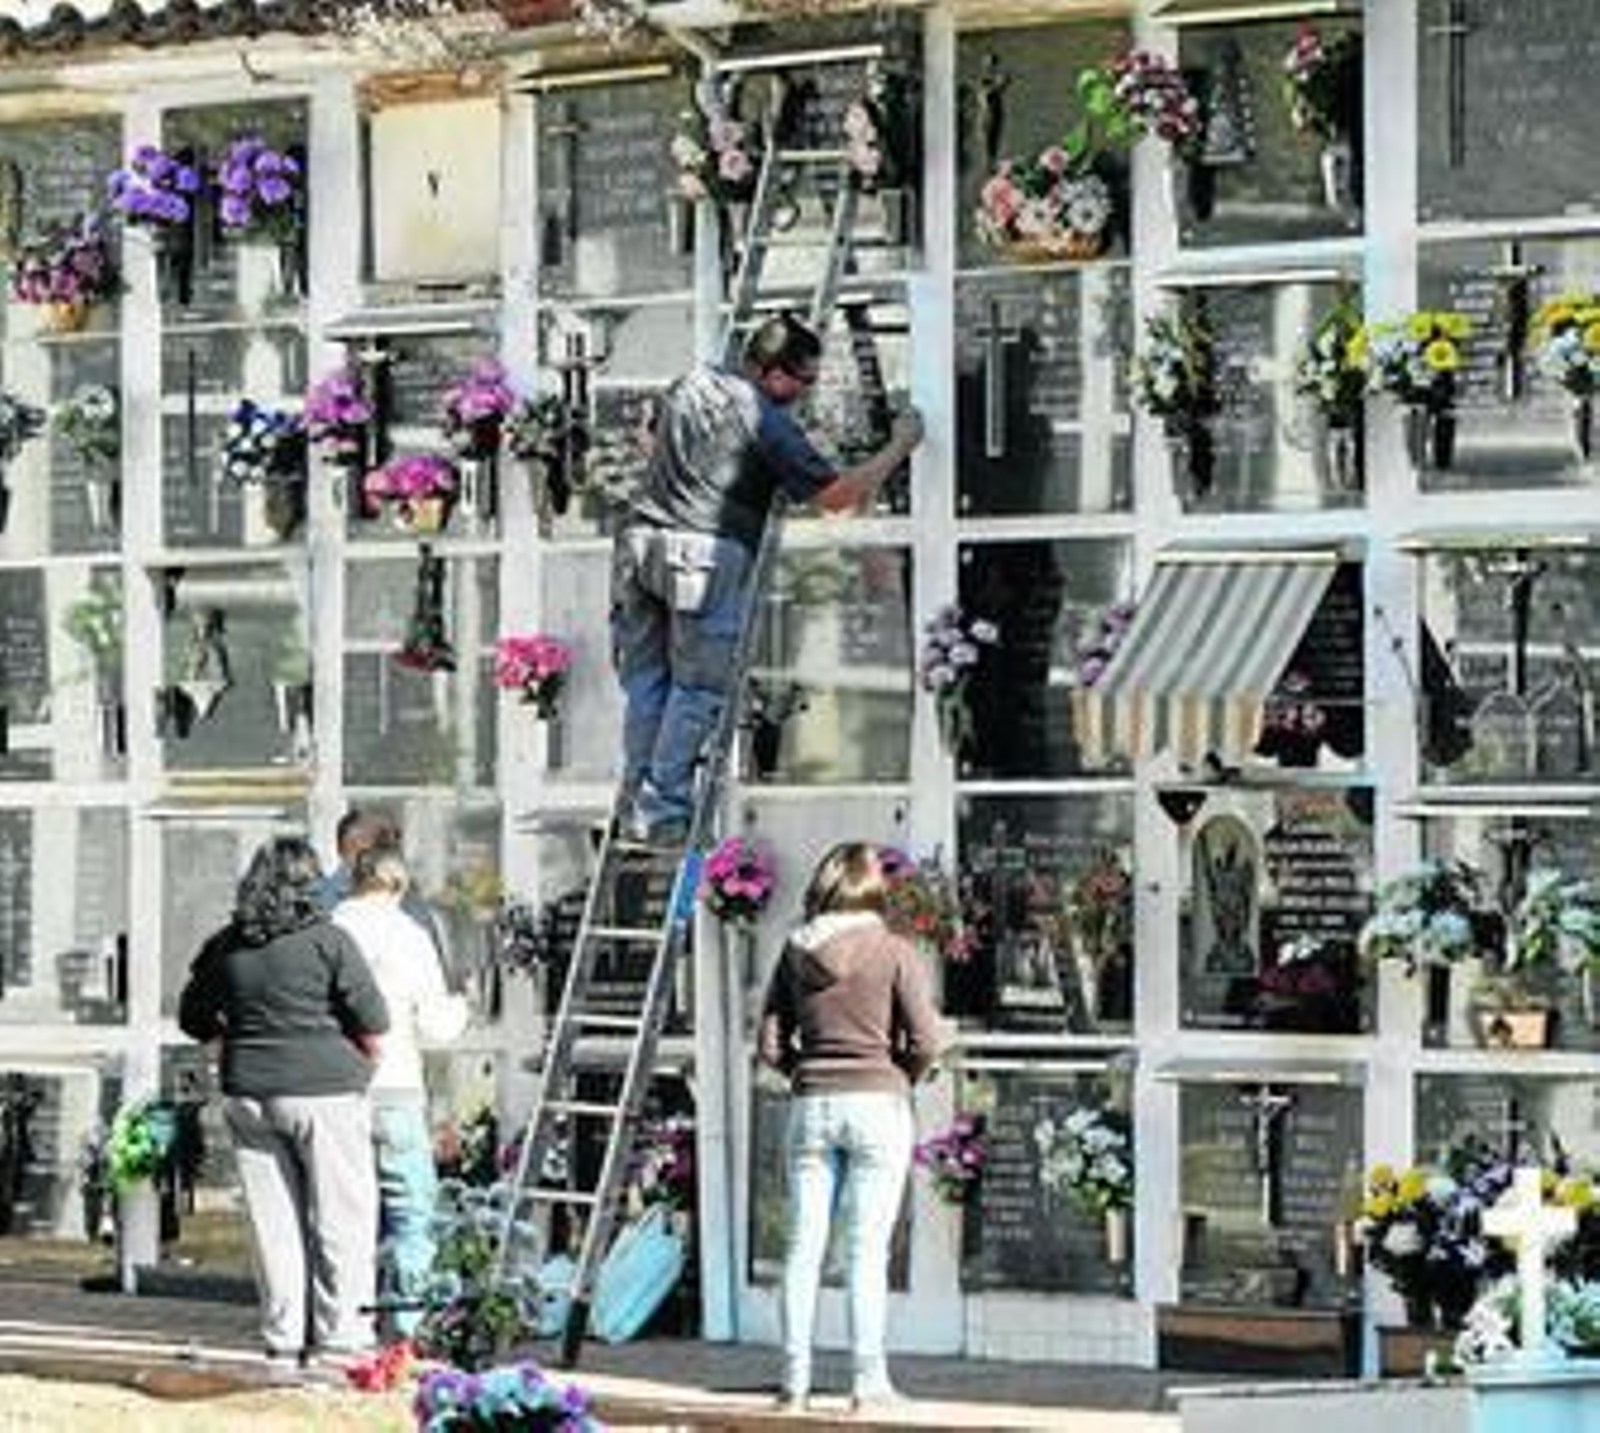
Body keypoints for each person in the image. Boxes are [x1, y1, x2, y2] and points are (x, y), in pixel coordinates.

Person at [612, 313, 925, 844]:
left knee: (648, 683)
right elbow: (837, 498)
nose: (804, 392)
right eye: (801, 380)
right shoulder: (768, 421)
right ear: (771, 371)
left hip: (639, 545)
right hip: (704, 553)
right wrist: (900, 446)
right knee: (698, 687)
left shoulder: (691, 383)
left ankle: (634, 799)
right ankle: (664, 809)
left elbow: (650, 438)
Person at [177, 836, 389, 1375]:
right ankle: (341, 1339)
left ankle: (284, 1340)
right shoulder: (329, 940)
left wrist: (229, 1036)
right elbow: (373, 1018)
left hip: (250, 1096)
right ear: (310, 885)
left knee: (274, 1225)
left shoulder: (226, 945)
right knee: (342, 1220)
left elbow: (193, 1016)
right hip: (326, 1095)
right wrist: (364, 1064)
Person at [758, 841, 946, 1412]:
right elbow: (928, 1040)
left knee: (803, 1248)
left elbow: (769, 1044)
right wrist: (900, 1076)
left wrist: (806, 1072)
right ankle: (868, 1384)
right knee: (866, 1251)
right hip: (878, 1106)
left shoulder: (794, 950)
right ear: (873, 889)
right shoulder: (894, 951)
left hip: (812, 1104)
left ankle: (794, 1385)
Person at [331, 841, 469, 1345]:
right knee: (412, 1212)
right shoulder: (408, 934)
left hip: (338, 1090)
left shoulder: (329, 931)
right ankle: (411, 1329)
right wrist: (463, 1006)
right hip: (394, 1086)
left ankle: (348, 1323)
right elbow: (436, 1025)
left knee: (344, 1211)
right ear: (398, 885)